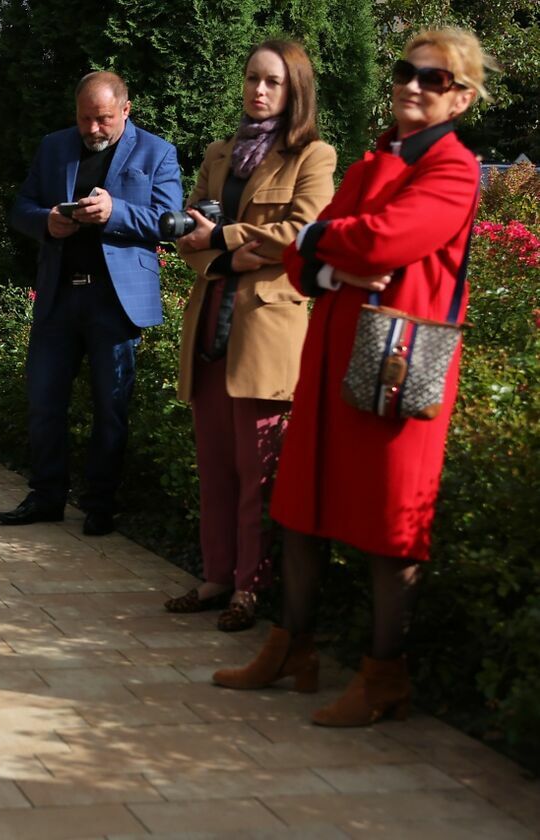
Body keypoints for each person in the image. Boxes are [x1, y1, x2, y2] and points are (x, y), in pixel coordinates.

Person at [212, 28, 491, 726]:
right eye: (406, 71)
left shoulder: (454, 169)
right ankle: (292, 648)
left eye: (434, 78)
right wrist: (329, 263)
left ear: (461, 98)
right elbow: (304, 261)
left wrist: (312, 239)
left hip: (396, 368)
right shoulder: (374, 162)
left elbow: (383, 240)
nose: (413, 85)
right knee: (301, 506)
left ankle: (384, 676)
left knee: (390, 524)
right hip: (330, 359)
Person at [166, 41, 336, 632]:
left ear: (294, 91)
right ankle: (217, 577)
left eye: (272, 82)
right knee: (214, 466)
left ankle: (249, 589)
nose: (258, 91)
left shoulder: (312, 156)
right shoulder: (220, 153)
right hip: (210, 321)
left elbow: (302, 233)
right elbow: (187, 235)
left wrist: (224, 238)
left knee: (256, 471)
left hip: (266, 329)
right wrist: (224, 258)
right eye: (251, 79)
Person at [0, 71, 182, 536]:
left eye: (103, 119)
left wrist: (115, 211)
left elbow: (169, 221)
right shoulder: (54, 146)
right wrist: (47, 221)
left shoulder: (156, 152)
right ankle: (46, 496)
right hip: (60, 296)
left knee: (110, 406)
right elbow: (21, 208)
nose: (93, 129)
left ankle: (101, 505)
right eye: (84, 119)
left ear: (126, 110)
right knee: (44, 401)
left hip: (114, 302)